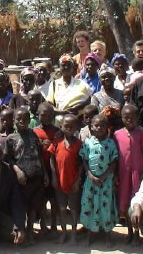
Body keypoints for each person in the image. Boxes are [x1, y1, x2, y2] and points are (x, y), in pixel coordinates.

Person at [5, 107, 48, 244]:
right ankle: (21, 233)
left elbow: (39, 155)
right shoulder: (11, 138)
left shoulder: (33, 134)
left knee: (33, 207)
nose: (22, 121)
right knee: (22, 207)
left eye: (25, 119)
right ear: (14, 121)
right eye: (19, 119)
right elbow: (9, 159)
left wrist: (45, 173)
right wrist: (18, 171)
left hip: (36, 176)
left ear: (29, 120)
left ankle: (30, 232)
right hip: (22, 179)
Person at [79, 114, 119, 247]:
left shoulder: (111, 143)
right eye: (96, 125)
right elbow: (84, 160)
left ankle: (107, 235)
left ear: (107, 127)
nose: (99, 127)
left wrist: (104, 176)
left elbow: (114, 162)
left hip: (105, 183)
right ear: (91, 127)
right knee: (90, 205)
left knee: (105, 207)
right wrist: (89, 175)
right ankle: (91, 233)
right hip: (91, 182)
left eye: (102, 125)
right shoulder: (88, 142)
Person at [114, 104, 143, 244]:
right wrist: (115, 173)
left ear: (137, 118)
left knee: (135, 204)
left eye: (132, 118)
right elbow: (116, 156)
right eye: (125, 118)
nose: (129, 120)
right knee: (125, 203)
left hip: (136, 174)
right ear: (121, 118)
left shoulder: (141, 133)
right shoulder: (117, 134)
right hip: (123, 174)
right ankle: (129, 232)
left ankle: (137, 233)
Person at [48, 114, 82, 244]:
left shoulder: (79, 144)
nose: (68, 128)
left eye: (72, 126)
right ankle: (63, 233)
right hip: (59, 182)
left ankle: (73, 234)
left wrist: (78, 180)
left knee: (73, 210)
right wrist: (54, 176)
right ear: (61, 127)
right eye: (65, 126)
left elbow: (81, 164)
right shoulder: (57, 142)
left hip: (73, 182)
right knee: (62, 209)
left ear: (77, 128)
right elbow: (51, 158)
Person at [33, 102, 60, 236]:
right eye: (44, 115)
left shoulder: (57, 132)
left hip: (54, 171)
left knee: (54, 200)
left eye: (50, 115)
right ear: (38, 115)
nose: (47, 118)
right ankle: (43, 225)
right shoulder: (34, 132)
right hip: (40, 171)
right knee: (42, 200)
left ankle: (54, 225)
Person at [46, 54, 92, 125]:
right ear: (59, 67)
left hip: (78, 124)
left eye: (69, 65)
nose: (66, 67)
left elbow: (90, 100)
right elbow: (49, 105)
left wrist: (79, 107)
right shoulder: (54, 84)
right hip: (59, 124)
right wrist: (64, 112)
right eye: (63, 65)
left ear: (73, 67)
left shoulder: (82, 84)